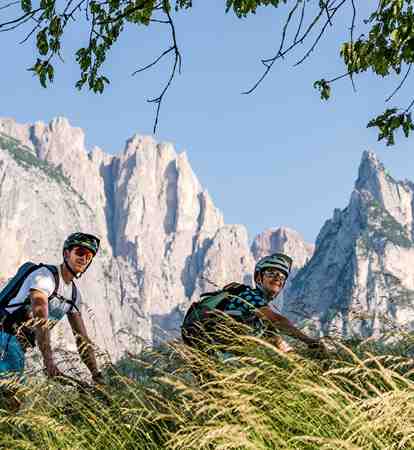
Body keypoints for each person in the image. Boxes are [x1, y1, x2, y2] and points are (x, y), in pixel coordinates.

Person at [0, 232, 104, 384]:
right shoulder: (45, 277)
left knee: (14, 400)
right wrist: (48, 360)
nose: (84, 258)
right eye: (80, 252)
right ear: (66, 253)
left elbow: (82, 339)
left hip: (17, 347)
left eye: (89, 256)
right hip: (5, 336)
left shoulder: (74, 295)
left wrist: (96, 373)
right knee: (13, 396)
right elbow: (40, 317)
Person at [182, 253, 325, 353]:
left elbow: (281, 347)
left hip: (217, 355)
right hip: (224, 354)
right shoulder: (249, 295)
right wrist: (308, 341)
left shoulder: (260, 321)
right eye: (271, 273)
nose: (277, 278)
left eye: (282, 276)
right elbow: (277, 320)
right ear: (258, 277)